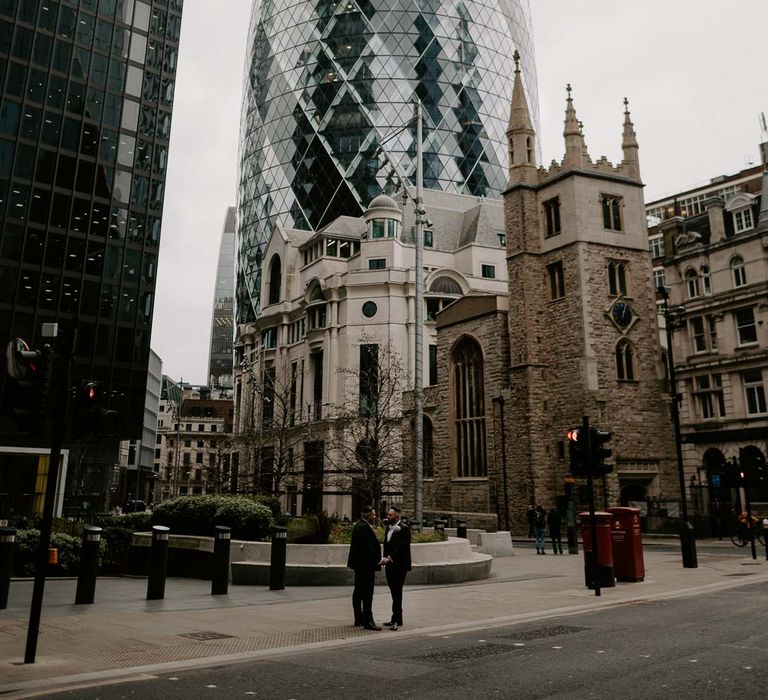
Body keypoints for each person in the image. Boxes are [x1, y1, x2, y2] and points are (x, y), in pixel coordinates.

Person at [346, 504, 382, 630]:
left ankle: (358, 618)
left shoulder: (359, 525)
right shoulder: (364, 527)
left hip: (360, 565)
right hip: (366, 566)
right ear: (368, 515)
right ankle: (368, 621)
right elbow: (369, 549)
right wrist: (378, 561)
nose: (375, 516)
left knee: (358, 591)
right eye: (373, 514)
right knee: (367, 593)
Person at [382, 506, 412, 631]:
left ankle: (395, 619)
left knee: (397, 592)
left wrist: (389, 557)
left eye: (390, 515)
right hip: (390, 565)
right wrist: (385, 558)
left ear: (397, 517)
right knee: (394, 592)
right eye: (388, 514)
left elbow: (401, 547)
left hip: (399, 566)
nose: (388, 517)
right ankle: (397, 618)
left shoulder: (404, 529)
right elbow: (387, 545)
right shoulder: (388, 528)